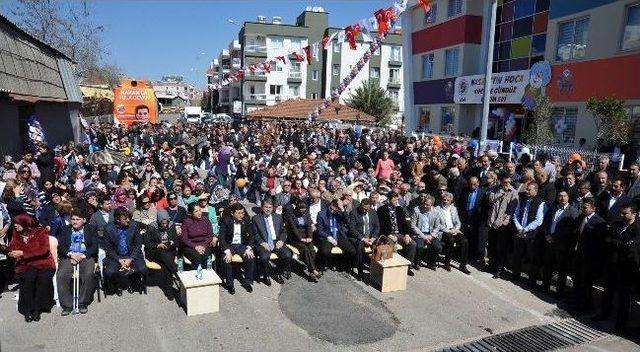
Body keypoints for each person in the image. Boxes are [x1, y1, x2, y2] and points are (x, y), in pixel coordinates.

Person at [593, 204, 640, 330]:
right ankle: (604, 313)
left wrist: (617, 241)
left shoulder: (637, 229)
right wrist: (621, 242)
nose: (622, 215)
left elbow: (631, 247)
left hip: (626, 267)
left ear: (634, 214)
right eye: (621, 213)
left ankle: (621, 323)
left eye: (625, 213)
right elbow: (607, 240)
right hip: (612, 264)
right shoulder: (617, 224)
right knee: (608, 291)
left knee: (624, 297)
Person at [6, 214, 55, 322]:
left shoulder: (40, 232)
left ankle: (37, 308)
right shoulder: (16, 234)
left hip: (43, 262)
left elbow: (43, 250)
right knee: (29, 278)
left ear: (25, 222)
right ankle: (28, 310)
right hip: (26, 264)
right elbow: (12, 247)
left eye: (17, 223)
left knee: (44, 278)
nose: (15, 225)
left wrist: (23, 253)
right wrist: (9, 252)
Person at [56, 209, 98, 315]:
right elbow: (61, 246)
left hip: (85, 255)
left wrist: (82, 256)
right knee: (61, 275)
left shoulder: (91, 229)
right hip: (70, 255)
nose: (74, 221)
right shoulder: (65, 229)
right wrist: (71, 255)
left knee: (88, 274)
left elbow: (94, 245)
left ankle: (82, 302)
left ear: (84, 220)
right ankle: (67, 305)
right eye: (72, 219)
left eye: (77, 219)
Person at [541, 190, 579, 297]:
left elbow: (570, 230)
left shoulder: (573, 211)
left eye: (564, 196)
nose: (562, 198)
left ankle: (559, 292)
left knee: (561, 270)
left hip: (562, 245)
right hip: (549, 242)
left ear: (568, 197)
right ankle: (545, 287)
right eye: (560, 196)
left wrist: (554, 237)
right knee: (548, 266)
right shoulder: (554, 208)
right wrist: (547, 234)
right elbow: (546, 222)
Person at [571, 197, 606, 311]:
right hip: (579, 254)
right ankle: (574, 301)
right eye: (582, 207)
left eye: (585, 207)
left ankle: (583, 306)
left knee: (585, 283)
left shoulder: (599, 222)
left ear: (593, 208)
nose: (582, 209)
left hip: (589, 258)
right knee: (576, 279)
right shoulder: (582, 217)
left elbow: (599, 245)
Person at [102, 207, 147, 294]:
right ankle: (116, 282)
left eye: (128, 217)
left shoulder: (134, 226)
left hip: (131, 255)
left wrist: (131, 259)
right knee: (109, 272)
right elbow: (108, 248)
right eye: (125, 218)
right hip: (116, 256)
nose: (128, 220)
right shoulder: (108, 228)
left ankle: (134, 279)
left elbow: (138, 244)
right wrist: (119, 259)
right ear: (117, 220)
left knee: (142, 269)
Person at [252, 197, 292, 285]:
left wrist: (281, 240)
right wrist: (262, 242)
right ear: (262, 207)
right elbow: (255, 234)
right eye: (266, 207)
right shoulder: (256, 218)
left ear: (273, 208)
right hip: (264, 242)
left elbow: (283, 231)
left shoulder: (278, 217)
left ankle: (277, 272)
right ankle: (266, 276)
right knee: (264, 257)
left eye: (270, 207)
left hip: (276, 241)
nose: (268, 209)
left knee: (288, 255)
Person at [512, 182, 545, 286]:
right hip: (519, 231)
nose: (527, 191)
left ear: (536, 190)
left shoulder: (540, 203)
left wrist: (526, 229)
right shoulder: (522, 200)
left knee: (532, 257)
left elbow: (538, 220)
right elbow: (516, 214)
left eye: (529, 190)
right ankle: (515, 275)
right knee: (517, 254)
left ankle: (531, 281)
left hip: (531, 234)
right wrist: (519, 228)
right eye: (527, 189)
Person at [218, 203, 256, 294]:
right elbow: (221, 238)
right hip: (229, 245)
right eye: (238, 213)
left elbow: (252, 236)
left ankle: (247, 282)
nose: (241, 215)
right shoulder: (226, 221)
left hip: (241, 245)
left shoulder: (246, 220)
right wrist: (227, 251)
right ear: (232, 213)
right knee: (226, 259)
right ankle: (230, 284)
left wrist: (249, 248)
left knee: (250, 257)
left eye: (242, 213)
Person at [377, 192, 418, 274]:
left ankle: (407, 267)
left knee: (412, 244)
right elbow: (381, 225)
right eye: (394, 200)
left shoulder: (399, 209)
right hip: (388, 234)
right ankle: (389, 268)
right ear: (389, 200)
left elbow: (405, 223)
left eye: (397, 199)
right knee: (390, 243)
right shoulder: (381, 210)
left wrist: (407, 235)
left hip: (400, 234)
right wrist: (390, 235)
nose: (396, 201)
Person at [487, 174, 518, 279]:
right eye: (504, 182)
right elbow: (490, 200)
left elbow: (512, 209)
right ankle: (491, 265)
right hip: (492, 221)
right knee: (492, 245)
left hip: (503, 224)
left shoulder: (513, 192)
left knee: (501, 248)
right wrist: (500, 193)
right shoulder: (495, 190)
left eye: (508, 182)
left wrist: (505, 221)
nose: (506, 184)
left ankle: (499, 270)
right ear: (501, 182)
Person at [316, 198, 358, 274]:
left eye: (335, 210)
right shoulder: (321, 214)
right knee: (325, 251)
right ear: (330, 205)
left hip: (338, 235)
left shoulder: (339, 213)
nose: (332, 211)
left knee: (352, 251)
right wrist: (329, 237)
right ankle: (322, 266)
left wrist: (342, 209)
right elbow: (320, 230)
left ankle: (342, 265)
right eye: (331, 209)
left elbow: (348, 222)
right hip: (328, 235)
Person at [144, 210, 178, 299]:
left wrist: (171, 242)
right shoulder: (152, 227)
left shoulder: (171, 225)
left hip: (169, 250)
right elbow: (147, 243)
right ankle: (175, 270)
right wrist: (158, 245)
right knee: (163, 254)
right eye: (162, 223)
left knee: (166, 265)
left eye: (166, 223)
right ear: (158, 221)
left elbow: (176, 241)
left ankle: (169, 292)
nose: (164, 225)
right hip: (155, 251)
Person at [285, 200, 321, 281]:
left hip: (306, 236)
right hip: (295, 238)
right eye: (300, 211)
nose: (302, 213)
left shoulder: (307, 214)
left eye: (303, 211)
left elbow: (308, 227)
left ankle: (311, 272)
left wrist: (310, 237)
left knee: (311, 250)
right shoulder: (291, 215)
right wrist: (301, 239)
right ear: (297, 209)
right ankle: (313, 270)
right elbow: (294, 229)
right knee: (304, 249)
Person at [434, 191, 470, 274]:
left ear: (451, 201)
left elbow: (458, 222)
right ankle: (447, 262)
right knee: (450, 240)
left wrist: (455, 230)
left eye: (448, 200)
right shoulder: (437, 209)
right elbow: (438, 224)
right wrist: (448, 231)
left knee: (465, 241)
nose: (445, 201)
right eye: (444, 199)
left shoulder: (453, 209)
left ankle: (463, 265)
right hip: (443, 231)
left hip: (454, 230)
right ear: (441, 200)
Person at [347, 198, 380, 280]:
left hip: (370, 237)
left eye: (367, 209)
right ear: (361, 206)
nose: (365, 211)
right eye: (363, 209)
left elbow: (377, 227)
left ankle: (376, 269)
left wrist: (373, 238)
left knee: (379, 247)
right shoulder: (354, 213)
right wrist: (363, 239)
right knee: (359, 247)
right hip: (359, 237)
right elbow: (352, 229)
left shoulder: (373, 212)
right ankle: (360, 271)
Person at [410, 194, 441, 270]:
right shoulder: (416, 210)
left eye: (427, 205)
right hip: (419, 233)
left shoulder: (436, 212)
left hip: (430, 234)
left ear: (432, 205)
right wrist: (423, 236)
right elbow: (413, 225)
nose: (425, 206)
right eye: (424, 203)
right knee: (420, 246)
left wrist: (432, 236)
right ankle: (417, 262)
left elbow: (437, 226)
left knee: (438, 247)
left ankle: (431, 263)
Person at [180, 202, 215, 268]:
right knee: (197, 258)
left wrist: (203, 246)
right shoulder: (186, 222)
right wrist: (195, 246)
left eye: (199, 210)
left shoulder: (206, 220)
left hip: (204, 245)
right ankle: (198, 276)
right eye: (196, 211)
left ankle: (207, 276)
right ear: (191, 213)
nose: (199, 213)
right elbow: (184, 239)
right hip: (191, 246)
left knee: (207, 257)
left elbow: (210, 235)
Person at [458, 176, 484, 262]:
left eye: (474, 184)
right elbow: (461, 203)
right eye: (470, 184)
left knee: (474, 238)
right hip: (466, 217)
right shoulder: (465, 191)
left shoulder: (482, 193)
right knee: (465, 236)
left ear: (478, 183)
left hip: (476, 218)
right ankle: (463, 255)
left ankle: (472, 256)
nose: (472, 186)